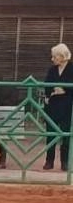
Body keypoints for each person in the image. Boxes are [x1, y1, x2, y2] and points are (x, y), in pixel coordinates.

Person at [43, 43, 73, 171]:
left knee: (65, 134)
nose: (52, 59)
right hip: (53, 105)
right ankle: (49, 161)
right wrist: (52, 91)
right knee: (50, 134)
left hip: (67, 105)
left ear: (61, 56)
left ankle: (64, 162)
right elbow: (46, 84)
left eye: (54, 57)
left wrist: (65, 89)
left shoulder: (72, 68)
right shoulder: (52, 70)